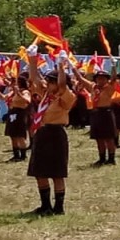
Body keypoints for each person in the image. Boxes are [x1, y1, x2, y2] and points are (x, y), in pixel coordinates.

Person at [26, 56, 78, 216]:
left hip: (56, 134)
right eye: (48, 81)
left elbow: (62, 85)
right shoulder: (45, 96)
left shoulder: (66, 97)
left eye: (51, 82)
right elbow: (34, 78)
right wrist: (32, 60)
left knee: (57, 173)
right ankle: (45, 205)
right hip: (42, 133)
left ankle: (59, 207)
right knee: (39, 172)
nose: (47, 84)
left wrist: (61, 66)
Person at [76, 67, 119, 167]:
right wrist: (73, 67)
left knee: (109, 138)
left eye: (103, 78)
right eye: (99, 78)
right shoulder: (93, 87)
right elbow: (80, 79)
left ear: (107, 79)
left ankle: (111, 159)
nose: (101, 80)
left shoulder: (109, 87)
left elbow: (114, 78)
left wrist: (113, 66)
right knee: (98, 138)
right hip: (96, 113)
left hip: (106, 113)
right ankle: (102, 158)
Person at [3, 75, 31, 162]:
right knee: (13, 135)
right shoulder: (13, 92)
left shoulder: (25, 92)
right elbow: (4, 97)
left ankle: (23, 155)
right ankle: (16, 155)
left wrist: (18, 93)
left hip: (20, 113)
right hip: (13, 112)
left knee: (19, 135)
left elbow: (27, 101)